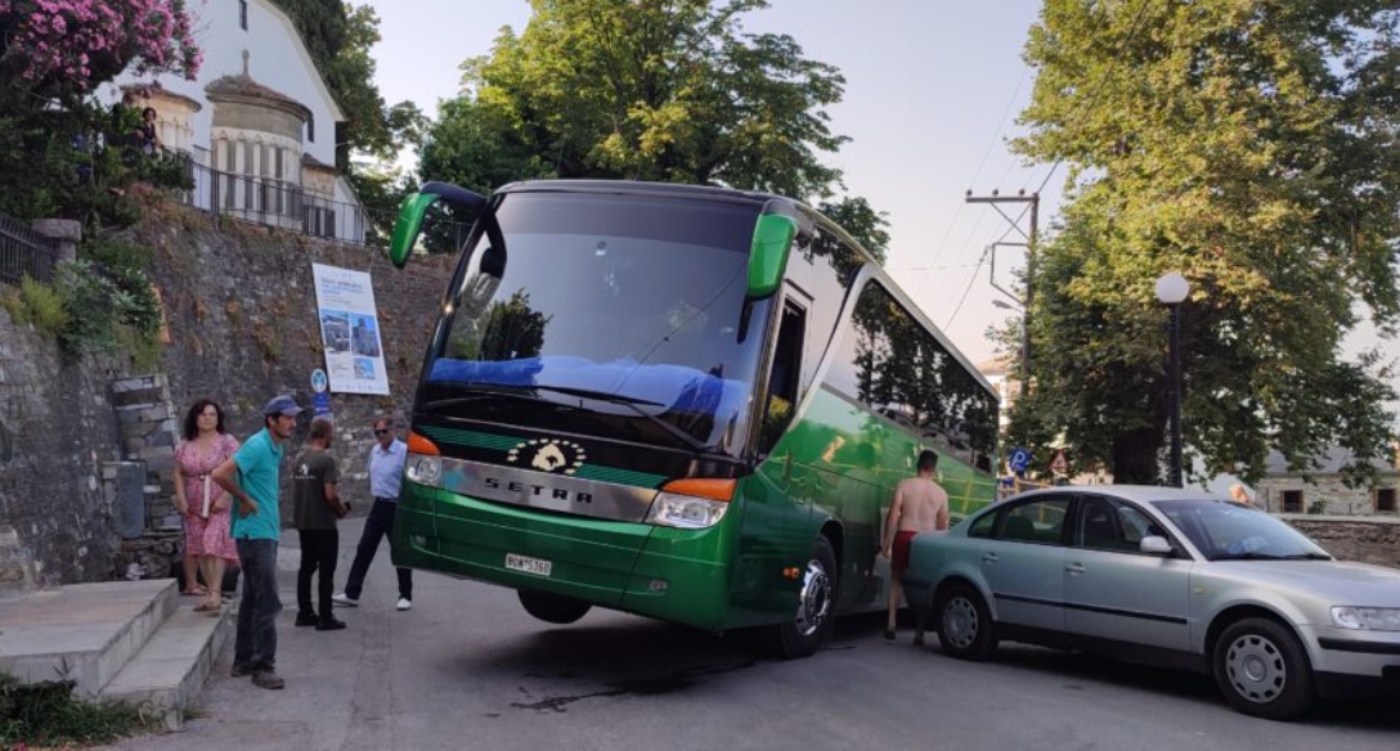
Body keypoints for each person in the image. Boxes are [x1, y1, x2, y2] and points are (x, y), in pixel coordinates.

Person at [212, 395, 302, 690]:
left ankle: (243, 660)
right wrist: (245, 499)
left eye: (293, 417)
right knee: (268, 599)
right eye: (287, 417)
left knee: (252, 596)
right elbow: (220, 474)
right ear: (271, 420)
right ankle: (264, 666)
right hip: (255, 534)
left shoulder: (273, 447)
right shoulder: (258, 445)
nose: (293, 422)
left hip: (264, 532)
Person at [333, 417, 412, 611]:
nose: (380, 436)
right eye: (377, 433)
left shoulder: (403, 452)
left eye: (384, 432)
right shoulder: (375, 451)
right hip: (379, 505)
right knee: (364, 548)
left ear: (393, 431)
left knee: (399, 552)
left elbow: (411, 480)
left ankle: (405, 595)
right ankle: (352, 593)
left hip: (397, 506)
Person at [172, 399, 241, 614]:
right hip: (193, 501)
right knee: (200, 547)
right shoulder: (185, 444)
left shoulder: (227, 442)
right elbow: (178, 472)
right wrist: (181, 498)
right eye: (203, 414)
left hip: (218, 498)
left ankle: (215, 593)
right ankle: (210, 592)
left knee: (213, 543)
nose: (207, 418)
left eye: (212, 414)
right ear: (195, 418)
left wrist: (227, 496)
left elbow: (239, 469)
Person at [880, 450, 950, 645]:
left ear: (918, 465)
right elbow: (943, 525)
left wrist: (887, 541)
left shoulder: (904, 485)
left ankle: (891, 623)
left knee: (896, 579)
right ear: (934, 469)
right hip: (926, 540)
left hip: (904, 535)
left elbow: (894, 515)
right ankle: (919, 632)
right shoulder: (941, 493)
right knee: (922, 584)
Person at [292, 417, 350, 631]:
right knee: (326, 570)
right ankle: (326, 616)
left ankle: (304, 612)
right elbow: (330, 494)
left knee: (306, 568)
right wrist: (340, 509)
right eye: (331, 434)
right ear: (326, 435)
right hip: (323, 523)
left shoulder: (300, 459)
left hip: (304, 521)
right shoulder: (326, 461)